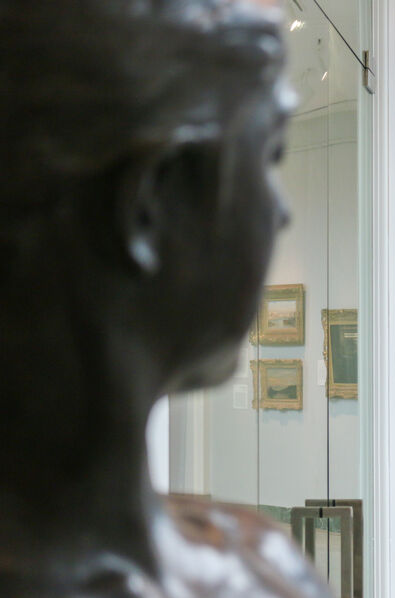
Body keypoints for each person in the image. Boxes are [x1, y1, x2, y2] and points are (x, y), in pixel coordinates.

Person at [0, 1, 330, 596]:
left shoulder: (264, 566)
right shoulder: (258, 576)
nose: (281, 212)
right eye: (269, 156)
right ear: (149, 204)